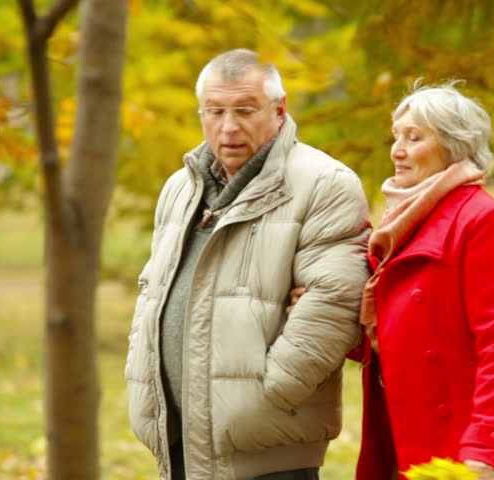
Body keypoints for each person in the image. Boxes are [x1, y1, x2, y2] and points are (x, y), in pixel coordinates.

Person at [125, 49, 371, 480]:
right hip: (179, 441)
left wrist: (265, 395)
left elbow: (334, 304)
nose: (229, 126)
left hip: (269, 451)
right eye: (215, 111)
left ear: (279, 111)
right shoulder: (180, 187)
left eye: (244, 110)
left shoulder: (325, 183)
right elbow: (152, 293)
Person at [292, 82, 494, 479]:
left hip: (462, 440)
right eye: (397, 136)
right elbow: (402, 335)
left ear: (453, 144)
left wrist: (484, 450)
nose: (397, 150)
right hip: (406, 427)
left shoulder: (482, 220)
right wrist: (320, 310)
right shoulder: (406, 221)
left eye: (413, 138)